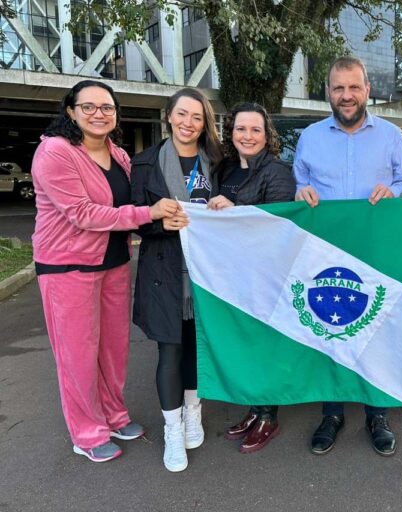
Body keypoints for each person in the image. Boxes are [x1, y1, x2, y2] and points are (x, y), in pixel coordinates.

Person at [31, 80, 181, 463]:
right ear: (71, 111)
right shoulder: (56, 152)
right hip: (68, 266)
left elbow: (136, 195)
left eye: (107, 107)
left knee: (112, 349)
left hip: (113, 263)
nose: (99, 114)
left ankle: (113, 414)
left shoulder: (117, 153)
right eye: (89, 106)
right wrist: (149, 213)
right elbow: (81, 213)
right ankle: (86, 431)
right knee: (77, 353)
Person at [293, 55, 402, 456]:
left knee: (377, 329)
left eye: (354, 87)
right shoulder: (310, 137)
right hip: (325, 253)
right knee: (330, 327)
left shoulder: (392, 135)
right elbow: (300, 184)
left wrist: (394, 192)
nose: (347, 96)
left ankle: (377, 413)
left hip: (378, 252)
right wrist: (300, 193)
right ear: (328, 92)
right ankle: (332, 412)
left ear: (367, 91)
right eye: (338, 88)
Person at [131, 88, 223, 472]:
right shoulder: (145, 163)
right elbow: (134, 215)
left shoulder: (216, 162)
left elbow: (232, 210)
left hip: (205, 272)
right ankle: (172, 430)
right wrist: (159, 224)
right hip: (164, 272)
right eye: (182, 114)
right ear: (168, 116)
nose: (188, 123)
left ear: (205, 123)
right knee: (169, 351)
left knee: (195, 348)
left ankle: (192, 411)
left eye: (197, 117)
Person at [207, 102, 296, 453]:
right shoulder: (224, 168)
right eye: (240, 128)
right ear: (231, 132)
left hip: (265, 274)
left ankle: (268, 416)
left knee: (264, 344)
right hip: (231, 273)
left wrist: (236, 211)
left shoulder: (277, 171)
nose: (247, 135)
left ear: (266, 134)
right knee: (244, 342)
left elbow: (279, 224)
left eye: (255, 129)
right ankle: (253, 408)